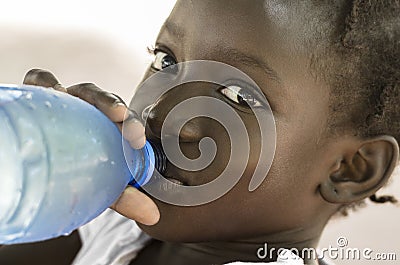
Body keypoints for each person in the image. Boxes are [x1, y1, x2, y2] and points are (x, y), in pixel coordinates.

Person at [0, 0, 399, 264]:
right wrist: (40, 165)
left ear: (350, 170)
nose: (159, 110)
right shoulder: (110, 228)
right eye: (165, 59)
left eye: (237, 95)